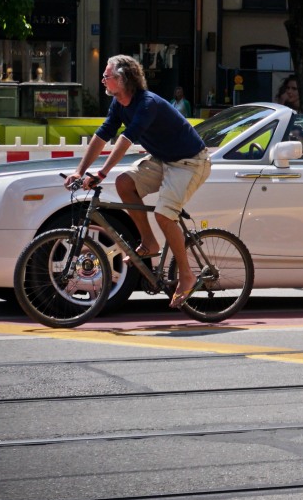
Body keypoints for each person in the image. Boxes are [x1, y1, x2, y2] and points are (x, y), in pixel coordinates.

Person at [65, 55, 212, 309]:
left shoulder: (147, 103)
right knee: (124, 183)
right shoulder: (118, 104)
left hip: (190, 162)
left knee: (164, 215)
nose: (103, 80)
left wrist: (100, 174)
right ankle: (149, 242)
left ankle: (186, 275)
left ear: (122, 79)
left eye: (106, 76)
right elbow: (102, 136)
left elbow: (126, 139)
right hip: (164, 159)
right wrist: (80, 171)